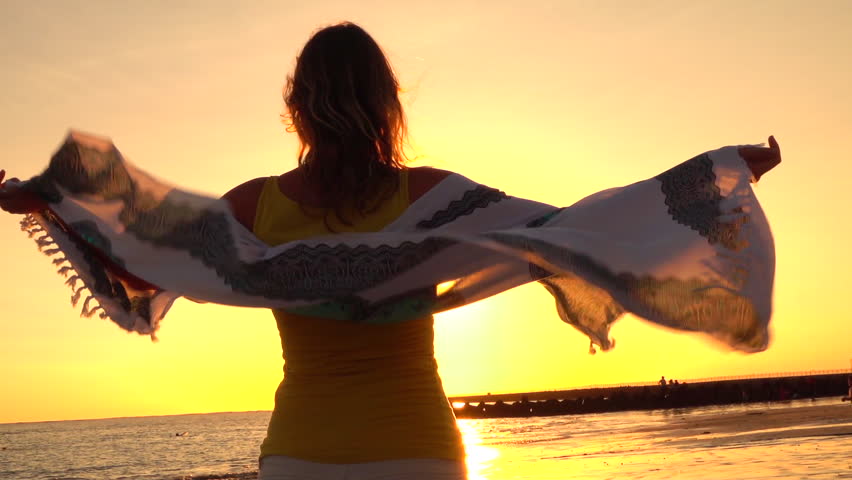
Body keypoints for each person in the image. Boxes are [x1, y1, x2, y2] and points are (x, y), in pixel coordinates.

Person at [0, 21, 782, 480]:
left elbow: (141, 255)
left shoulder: (255, 208)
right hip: (420, 455)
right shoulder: (433, 198)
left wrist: (44, 203)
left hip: (303, 455)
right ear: (386, 104)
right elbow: (577, 231)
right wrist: (720, 177)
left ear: (296, 107)